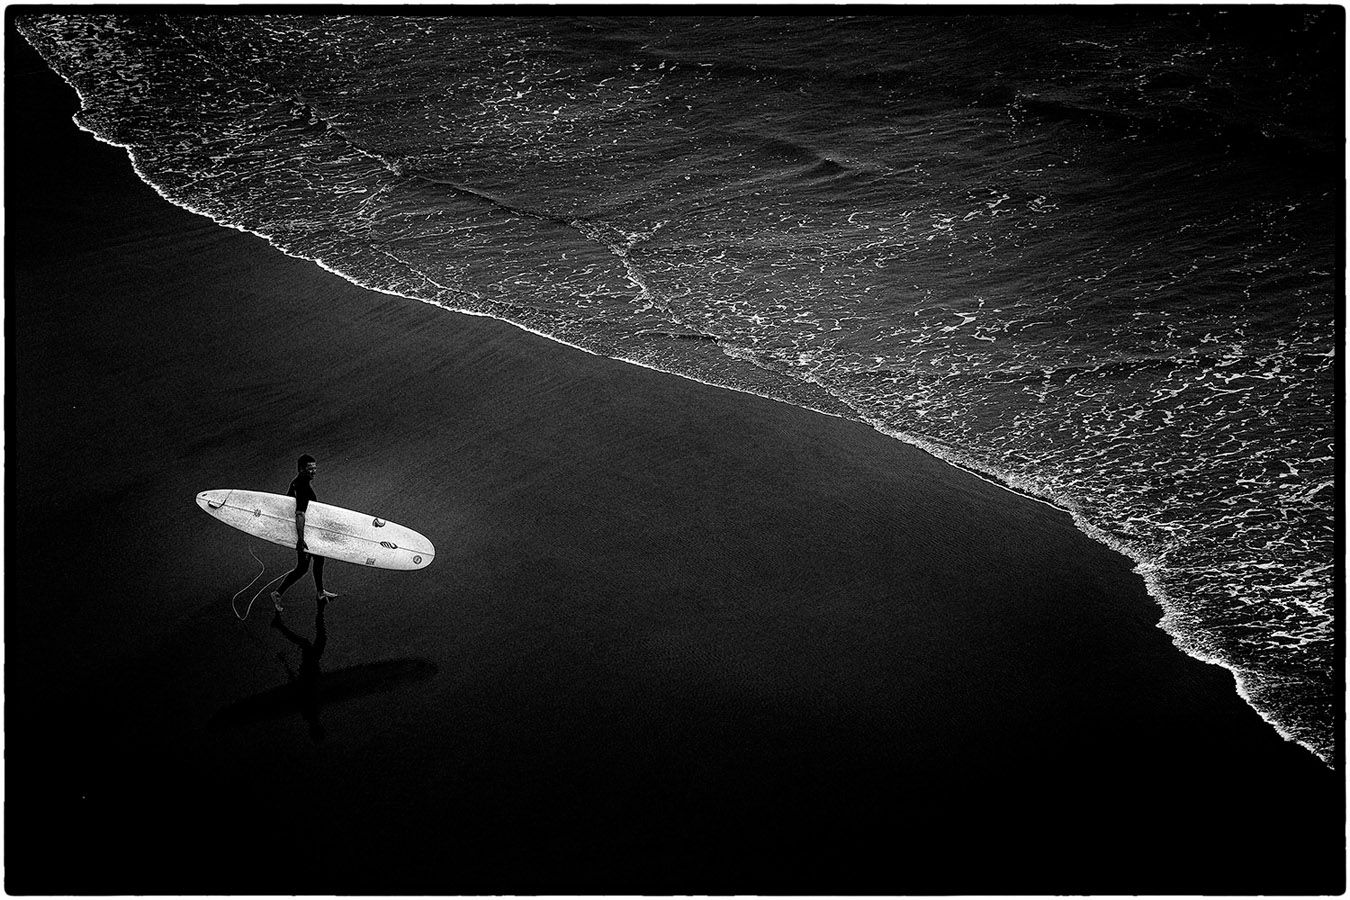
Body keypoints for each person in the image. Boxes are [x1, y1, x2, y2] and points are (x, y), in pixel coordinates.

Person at [271, 454, 339, 611]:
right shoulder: (302, 486)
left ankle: (320, 592)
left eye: (315, 468)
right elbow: (299, 514)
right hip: (303, 533)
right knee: (302, 568)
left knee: (320, 559)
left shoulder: (298, 482)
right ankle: (277, 593)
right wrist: (301, 539)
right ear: (301, 469)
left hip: (308, 531)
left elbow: (288, 505)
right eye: (310, 469)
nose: (314, 472)